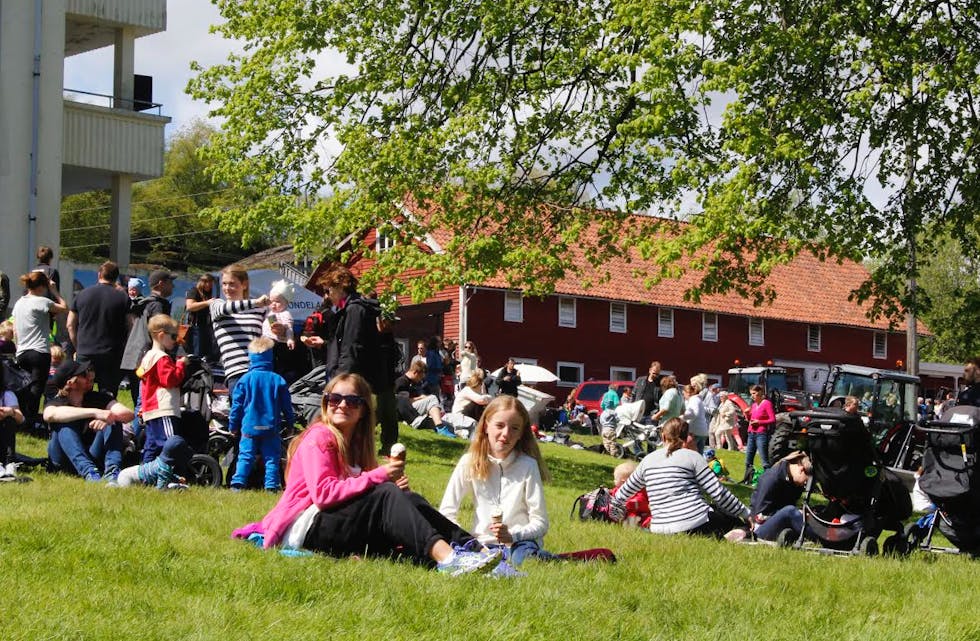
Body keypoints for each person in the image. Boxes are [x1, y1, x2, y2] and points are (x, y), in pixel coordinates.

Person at [242, 373, 502, 575]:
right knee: (386, 493)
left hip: (335, 523)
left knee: (410, 500)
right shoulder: (319, 438)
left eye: (352, 401)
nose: (342, 405)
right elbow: (324, 495)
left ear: (364, 408)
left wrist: (395, 489)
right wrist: (379, 477)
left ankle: (475, 549)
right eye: (334, 399)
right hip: (305, 527)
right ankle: (449, 559)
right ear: (326, 403)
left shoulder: (356, 446)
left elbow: (365, 497)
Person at [439, 395, 556, 566]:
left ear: (521, 433)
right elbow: (447, 512)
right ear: (486, 426)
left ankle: (544, 558)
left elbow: (541, 522)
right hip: (482, 544)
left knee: (519, 559)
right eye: (499, 425)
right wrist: (468, 540)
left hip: (520, 543)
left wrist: (513, 535)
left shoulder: (528, 466)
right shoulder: (469, 462)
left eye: (514, 428)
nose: (506, 434)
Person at [609, 417, 750, 537]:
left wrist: (615, 518)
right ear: (686, 437)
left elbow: (621, 494)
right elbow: (719, 494)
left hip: (660, 529)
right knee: (732, 520)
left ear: (663, 436)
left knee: (714, 509)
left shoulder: (647, 460)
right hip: (695, 523)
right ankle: (741, 531)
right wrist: (747, 514)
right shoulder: (693, 457)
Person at [318, 264, 399, 454]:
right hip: (363, 374)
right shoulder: (354, 309)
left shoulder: (355, 310)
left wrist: (340, 379)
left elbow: (352, 346)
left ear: (340, 286)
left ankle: (350, 453)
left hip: (355, 374)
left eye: (329, 290)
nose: (328, 295)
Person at [43, 359, 134, 483]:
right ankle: (89, 471)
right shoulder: (57, 402)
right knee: (64, 425)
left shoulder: (97, 397)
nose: (89, 375)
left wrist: (107, 418)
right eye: (83, 374)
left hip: (92, 454)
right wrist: (96, 412)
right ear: (71, 382)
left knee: (114, 420)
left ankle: (112, 471)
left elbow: (128, 414)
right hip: (63, 459)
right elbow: (49, 415)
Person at [228, 337, 294, 491]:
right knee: (272, 458)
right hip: (271, 428)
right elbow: (287, 406)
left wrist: (233, 426)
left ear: (251, 358)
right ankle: (271, 486)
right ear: (270, 357)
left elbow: (236, 407)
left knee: (245, 456)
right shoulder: (278, 380)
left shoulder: (245, 380)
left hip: (249, 428)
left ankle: (237, 484)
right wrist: (290, 423)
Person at [120, 269, 176, 436]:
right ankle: (131, 437)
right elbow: (160, 332)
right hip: (147, 357)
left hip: (136, 356)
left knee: (142, 401)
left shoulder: (145, 302)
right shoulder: (157, 305)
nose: (173, 285)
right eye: (170, 282)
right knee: (144, 403)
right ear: (161, 283)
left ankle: (135, 436)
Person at [12, 271, 68, 429]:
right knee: (36, 389)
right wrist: (55, 290)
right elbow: (64, 308)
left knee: (24, 387)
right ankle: (29, 423)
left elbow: (15, 330)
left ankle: (20, 418)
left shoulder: (19, 303)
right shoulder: (42, 301)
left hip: (22, 351)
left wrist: (18, 346)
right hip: (39, 351)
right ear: (42, 286)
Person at [67, 261, 130, 397]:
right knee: (108, 395)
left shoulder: (82, 294)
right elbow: (131, 325)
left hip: (85, 352)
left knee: (81, 393)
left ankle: (83, 417)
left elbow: (70, 324)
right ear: (116, 278)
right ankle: (106, 417)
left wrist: (78, 347)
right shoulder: (123, 298)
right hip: (111, 354)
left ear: (99, 275)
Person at [209, 264, 271, 393]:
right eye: (224, 284)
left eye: (232, 284)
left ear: (244, 284)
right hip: (236, 374)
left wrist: (280, 332)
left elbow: (269, 337)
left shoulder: (260, 309)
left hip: (260, 371)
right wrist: (256, 302)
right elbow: (225, 309)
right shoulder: (217, 306)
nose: (227, 288)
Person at [137, 314, 188, 463]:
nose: (176, 340)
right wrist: (180, 364)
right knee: (171, 443)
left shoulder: (148, 357)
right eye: (173, 336)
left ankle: (145, 473)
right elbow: (171, 380)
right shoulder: (162, 358)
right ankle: (169, 473)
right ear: (161, 335)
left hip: (151, 409)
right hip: (163, 408)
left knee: (152, 445)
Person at [749, 451, 812, 541]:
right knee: (790, 511)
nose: (805, 485)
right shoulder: (771, 478)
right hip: (758, 528)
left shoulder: (794, 482)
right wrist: (797, 513)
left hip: (776, 524)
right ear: (801, 469)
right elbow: (760, 515)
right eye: (805, 481)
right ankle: (824, 540)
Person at [117, 434, 193, 490]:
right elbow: (160, 489)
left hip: (127, 473)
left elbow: (168, 475)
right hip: (128, 479)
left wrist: (177, 478)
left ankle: (116, 484)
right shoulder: (164, 469)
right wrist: (178, 487)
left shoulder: (161, 462)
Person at [395, 361, 450, 435]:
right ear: (415, 372)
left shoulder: (413, 383)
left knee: (446, 424)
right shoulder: (402, 382)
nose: (420, 380)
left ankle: (442, 427)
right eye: (420, 377)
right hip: (404, 413)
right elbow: (402, 402)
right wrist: (420, 398)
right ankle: (440, 426)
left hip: (412, 410)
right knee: (432, 398)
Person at [741, 385, 775, 484]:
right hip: (751, 433)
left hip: (761, 434)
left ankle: (768, 482)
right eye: (751, 394)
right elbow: (750, 420)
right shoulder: (754, 405)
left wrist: (759, 422)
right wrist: (747, 414)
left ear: (760, 392)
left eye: (754, 393)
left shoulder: (767, 403)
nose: (752, 396)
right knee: (748, 459)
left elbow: (772, 419)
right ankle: (747, 479)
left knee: (764, 460)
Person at [0, 362, 27, 481]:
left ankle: (9, 464)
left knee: (10, 420)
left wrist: (10, 411)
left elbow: (21, 419)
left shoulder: (6, 395)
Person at [184, 273, 218, 363]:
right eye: (206, 282)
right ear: (201, 282)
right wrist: (207, 303)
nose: (209, 285)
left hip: (208, 327)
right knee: (197, 354)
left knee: (208, 355)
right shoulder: (194, 291)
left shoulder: (210, 293)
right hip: (196, 328)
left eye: (211, 282)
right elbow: (190, 306)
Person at [612, 461, 651, 528]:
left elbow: (643, 500)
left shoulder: (640, 491)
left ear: (623, 482)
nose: (614, 481)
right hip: (630, 513)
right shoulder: (617, 490)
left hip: (640, 512)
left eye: (615, 479)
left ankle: (649, 523)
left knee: (647, 517)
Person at [682, 384, 709, 453]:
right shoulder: (698, 400)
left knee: (689, 453)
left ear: (687, 393)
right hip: (702, 430)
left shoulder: (694, 400)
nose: (684, 396)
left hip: (695, 431)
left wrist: (682, 417)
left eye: (683, 394)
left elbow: (694, 413)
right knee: (699, 454)